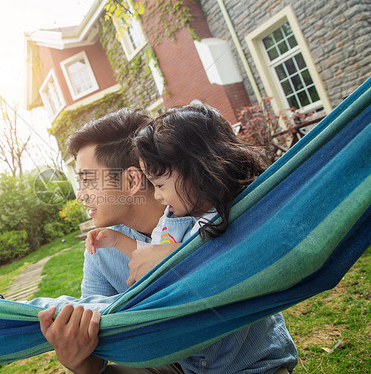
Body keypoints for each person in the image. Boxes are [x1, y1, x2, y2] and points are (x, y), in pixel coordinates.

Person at [37, 105, 298, 373]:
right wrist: (80, 359)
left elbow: (275, 257)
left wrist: (182, 262)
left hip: (250, 366)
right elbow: (95, 325)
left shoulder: (211, 210)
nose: (80, 195)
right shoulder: (102, 246)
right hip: (181, 365)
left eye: (87, 181)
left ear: (132, 180)